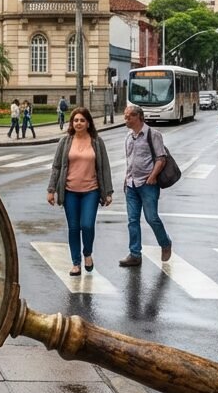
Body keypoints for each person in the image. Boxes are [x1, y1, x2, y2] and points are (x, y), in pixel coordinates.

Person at [48, 107, 113, 276]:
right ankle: (76, 263)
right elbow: (56, 167)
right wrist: (51, 189)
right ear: (72, 123)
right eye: (75, 120)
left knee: (87, 225)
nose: (78, 123)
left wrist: (108, 192)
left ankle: (88, 254)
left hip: (91, 191)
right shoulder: (65, 142)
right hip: (70, 192)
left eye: (82, 120)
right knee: (74, 228)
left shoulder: (97, 142)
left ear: (88, 122)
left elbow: (105, 167)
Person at [118, 105, 173, 268]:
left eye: (129, 116)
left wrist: (152, 176)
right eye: (125, 116)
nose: (126, 119)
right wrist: (126, 179)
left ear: (139, 117)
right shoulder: (128, 136)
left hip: (148, 184)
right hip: (131, 184)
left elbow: (161, 158)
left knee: (151, 218)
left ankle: (165, 243)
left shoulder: (153, 134)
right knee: (132, 220)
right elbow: (130, 160)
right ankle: (135, 254)